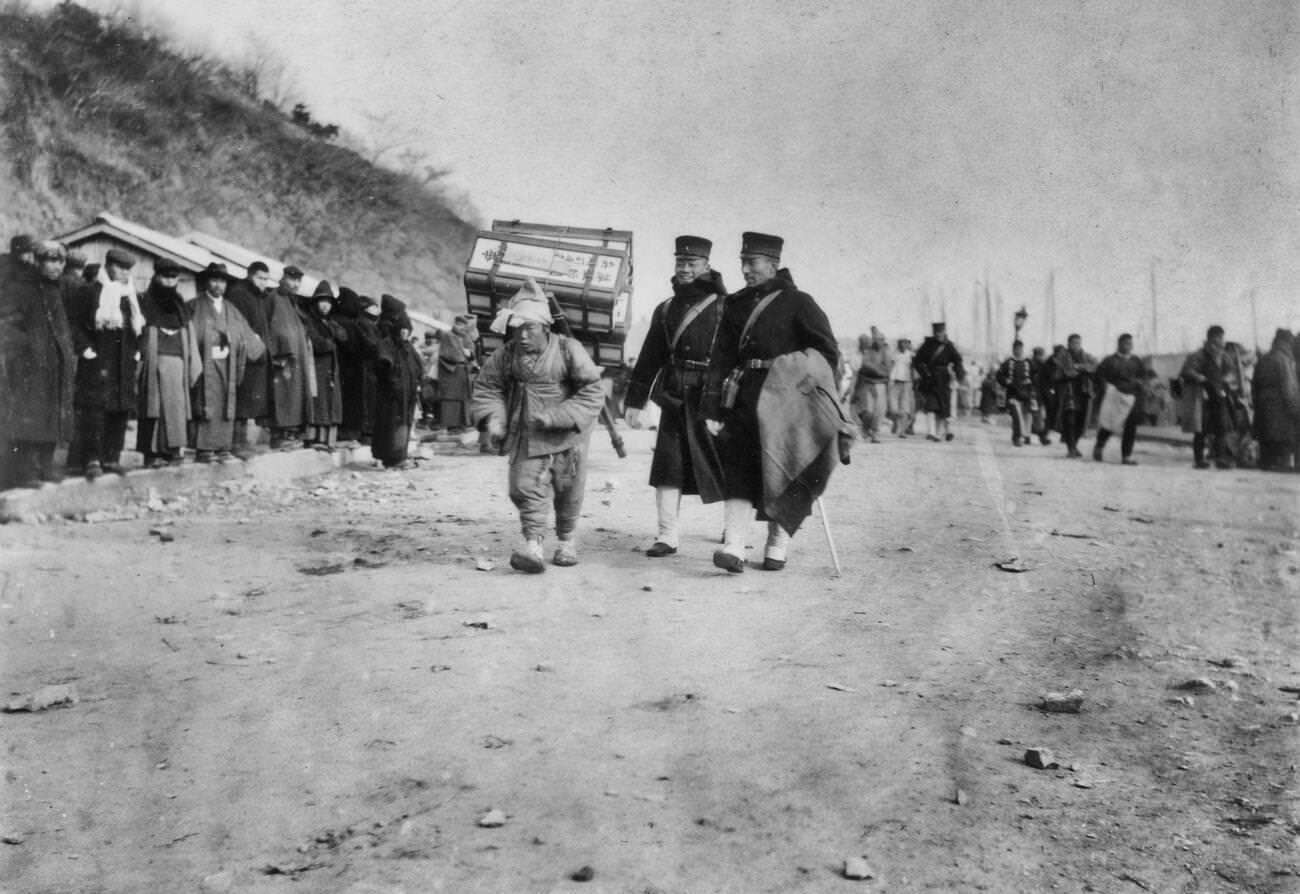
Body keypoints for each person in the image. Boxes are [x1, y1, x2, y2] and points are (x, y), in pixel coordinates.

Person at [701, 232, 844, 573]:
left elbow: (827, 352)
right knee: (737, 468)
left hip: (787, 401)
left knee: (785, 467)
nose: (746, 270)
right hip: (745, 395)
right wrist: (712, 407)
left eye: (752, 263)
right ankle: (733, 546)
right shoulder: (735, 304)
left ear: (773, 264)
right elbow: (720, 357)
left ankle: (777, 544)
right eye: (742, 262)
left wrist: (803, 379)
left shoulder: (800, 302)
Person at [471, 279, 606, 573]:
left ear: (545, 327)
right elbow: (487, 386)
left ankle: (566, 542)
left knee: (568, 487)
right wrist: (494, 417)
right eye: (517, 328)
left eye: (529, 327)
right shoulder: (506, 354)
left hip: (567, 435)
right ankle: (533, 545)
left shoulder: (568, 349)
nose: (521, 335)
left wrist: (556, 415)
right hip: (525, 430)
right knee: (523, 486)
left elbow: (592, 391)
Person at [623, 235, 727, 558]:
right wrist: (634, 401)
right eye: (680, 262)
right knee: (668, 465)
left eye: (691, 263)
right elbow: (649, 357)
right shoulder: (665, 309)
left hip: (714, 396)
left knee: (726, 464)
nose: (684, 268)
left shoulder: (726, 307)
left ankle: (733, 530)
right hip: (674, 394)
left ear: (706, 265)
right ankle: (667, 535)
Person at [0, 241, 76, 488]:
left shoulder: (62, 289)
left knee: (53, 416)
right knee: (30, 418)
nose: (54, 266)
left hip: (57, 363)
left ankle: (46, 466)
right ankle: (27, 472)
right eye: (48, 261)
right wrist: (25, 352)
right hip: (29, 366)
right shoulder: (22, 288)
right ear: (38, 262)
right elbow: (8, 325)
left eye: (58, 261)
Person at [66, 247, 143, 479]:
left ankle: (111, 458)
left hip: (123, 361)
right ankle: (91, 459)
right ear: (108, 266)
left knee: (119, 410)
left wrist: (136, 351)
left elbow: (138, 327)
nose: (124, 273)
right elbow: (74, 324)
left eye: (128, 269)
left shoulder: (130, 296)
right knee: (95, 410)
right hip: (98, 359)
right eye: (120, 268)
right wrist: (86, 349)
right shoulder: (90, 292)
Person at [189, 263, 266, 462]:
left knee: (226, 402)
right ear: (207, 282)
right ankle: (204, 448)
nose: (218, 285)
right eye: (214, 280)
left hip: (228, 362)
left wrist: (257, 346)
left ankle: (223, 446)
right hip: (205, 361)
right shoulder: (194, 305)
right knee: (207, 402)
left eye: (222, 281)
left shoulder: (231, 308)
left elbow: (247, 334)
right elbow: (190, 335)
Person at [136, 259, 201, 468]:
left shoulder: (179, 304)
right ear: (156, 276)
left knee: (177, 408)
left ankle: (173, 450)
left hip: (179, 364)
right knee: (154, 407)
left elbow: (188, 333)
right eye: (165, 277)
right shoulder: (144, 301)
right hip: (154, 362)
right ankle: (152, 453)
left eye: (173, 278)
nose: (169, 282)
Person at [225, 260, 275, 458]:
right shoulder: (239, 294)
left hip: (257, 354)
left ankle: (241, 440)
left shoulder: (260, 297)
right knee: (241, 398)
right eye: (260, 278)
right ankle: (236, 442)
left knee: (249, 400)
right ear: (250, 275)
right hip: (244, 353)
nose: (263, 283)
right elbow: (238, 325)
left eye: (266, 279)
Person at [372, 295, 423, 469]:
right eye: (401, 330)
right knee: (392, 425)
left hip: (406, 394)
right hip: (392, 395)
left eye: (407, 330)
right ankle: (393, 458)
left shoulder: (407, 347)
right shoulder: (388, 344)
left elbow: (418, 367)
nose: (404, 333)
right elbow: (383, 364)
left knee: (402, 426)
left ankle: (399, 455)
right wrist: (394, 382)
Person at [266, 265, 315, 450]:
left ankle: (292, 433)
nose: (295, 284)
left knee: (295, 396)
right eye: (291, 280)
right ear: (283, 278)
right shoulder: (274, 298)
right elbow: (270, 327)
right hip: (283, 357)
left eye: (298, 281)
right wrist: (279, 352)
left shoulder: (292, 301)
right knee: (284, 396)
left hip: (297, 359)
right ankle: (279, 436)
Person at [300, 281, 348, 451]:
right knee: (318, 402)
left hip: (330, 368)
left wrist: (332, 336)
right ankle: (314, 439)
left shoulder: (330, 322)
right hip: (316, 367)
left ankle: (327, 441)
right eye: (322, 301)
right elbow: (318, 343)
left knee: (328, 403)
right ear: (315, 303)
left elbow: (344, 337)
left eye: (328, 302)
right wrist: (331, 342)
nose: (325, 306)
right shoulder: (308, 320)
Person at [1180, 325, 1234, 469]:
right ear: (1210, 338)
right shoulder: (1199, 355)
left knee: (1221, 427)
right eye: (1218, 337)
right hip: (1202, 396)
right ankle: (1199, 459)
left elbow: (1230, 371)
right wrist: (1202, 379)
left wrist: (1225, 380)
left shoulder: (1224, 356)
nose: (1221, 341)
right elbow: (1187, 371)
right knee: (1201, 429)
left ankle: (1220, 458)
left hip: (1219, 395)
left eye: (1222, 337)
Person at [333, 288, 380, 446]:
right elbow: (366, 346)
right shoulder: (356, 324)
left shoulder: (350, 322)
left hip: (351, 368)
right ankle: (357, 433)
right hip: (355, 369)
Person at [1093, 333, 1147, 465]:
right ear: (1119, 344)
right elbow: (1099, 376)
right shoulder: (1110, 360)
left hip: (1132, 397)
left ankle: (1126, 456)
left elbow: (1143, 376)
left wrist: (1141, 382)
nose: (1128, 346)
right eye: (1125, 343)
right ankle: (1099, 446)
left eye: (1130, 343)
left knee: (1130, 426)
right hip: (1115, 395)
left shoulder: (1136, 361)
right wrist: (1105, 386)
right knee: (1111, 423)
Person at [1252, 329, 1300, 471]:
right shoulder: (1284, 361)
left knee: (1266, 459)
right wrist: (1296, 410)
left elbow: (1254, 386)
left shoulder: (1264, 359)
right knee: (1281, 459)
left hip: (1262, 413)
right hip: (1281, 416)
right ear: (1287, 342)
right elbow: (1289, 390)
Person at [912, 322, 964, 442]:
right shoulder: (927, 344)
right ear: (934, 332)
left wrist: (959, 374)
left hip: (944, 379)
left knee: (942, 406)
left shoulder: (949, 345)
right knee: (931, 405)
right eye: (937, 332)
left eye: (941, 332)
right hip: (929, 378)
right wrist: (924, 372)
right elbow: (917, 360)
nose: (939, 334)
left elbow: (957, 360)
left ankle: (938, 433)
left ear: (944, 332)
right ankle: (931, 432)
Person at [1051, 334, 1097, 458]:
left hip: (1083, 391)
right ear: (1068, 344)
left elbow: (1093, 367)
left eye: (1078, 342)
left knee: (1080, 422)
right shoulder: (1062, 357)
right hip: (1068, 392)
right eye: (1073, 342)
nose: (1076, 345)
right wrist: (1073, 371)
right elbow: (1059, 374)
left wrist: (1078, 367)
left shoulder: (1086, 356)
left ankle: (1074, 445)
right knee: (1069, 420)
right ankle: (1071, 448)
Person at [438, 314, 481, 432]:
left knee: (464, 398)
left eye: (463, 325)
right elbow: (446, 353)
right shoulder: (448, 335)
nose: (461, 327)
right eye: (459, 324)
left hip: (463, 371)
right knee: (451, 398)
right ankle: (452, 425)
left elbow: (472, 352)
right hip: (451, 371)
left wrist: (470, 355)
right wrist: (462, 354)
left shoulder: (466, 337)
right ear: (455, 324)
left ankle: (463, 423)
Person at [850, 327, 892, 443]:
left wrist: (877, 370)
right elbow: (865, 365)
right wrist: (878, 370)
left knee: (879, 411)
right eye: (878, 339)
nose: (880, 342)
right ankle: (866, 429)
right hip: (867, 384)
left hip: (881, 384)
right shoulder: (868, 351)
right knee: (867, 411)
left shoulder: (886, 352)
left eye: (882, 339)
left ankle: (875, 434)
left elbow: (888, 369)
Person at [997, 341, 1036, 446]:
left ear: (1022, 349)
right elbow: (999, 375)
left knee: (1027, 416)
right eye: (1016, 349)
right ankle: (1016, 437)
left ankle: (1027, 435)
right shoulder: (1008, 362)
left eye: (1020, 349)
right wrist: (1006, 381)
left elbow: (1036, 375)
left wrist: (1030, 382)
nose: (1018, 351)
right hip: (1013, 394)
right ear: (1013, 349)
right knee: (1016, 417)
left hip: (1026, 394)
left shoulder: (1028, 362)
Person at [887, 337, 914, 437]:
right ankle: (895, 422)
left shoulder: (910, 355)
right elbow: (891, 366)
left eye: (905, 343)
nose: (903, 345)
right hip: (895, 382)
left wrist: (912, 381)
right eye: (901, 343)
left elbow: (912, 368)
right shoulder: (894, 355)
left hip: (906, 383)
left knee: (905, 408)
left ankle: (902, 431)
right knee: (893, 408)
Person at [1030, 346, 1053, 444]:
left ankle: (1040, 435)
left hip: (1041, 394)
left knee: (1038, 416)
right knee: (1036, 415)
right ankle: (1040, 436)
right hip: (1034, 394)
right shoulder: (1032, 365)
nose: (1041, 357)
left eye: (1042, 355)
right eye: (1040, 355)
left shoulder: (1043, 365)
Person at [417, 330, 441, 427]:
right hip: (427, 376)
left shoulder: (436, 347)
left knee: (431, 398)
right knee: (426, 397)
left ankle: (432, 418)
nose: (430, 340)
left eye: (432, 338)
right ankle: (427, 417)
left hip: (432, 377)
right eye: (428, 338)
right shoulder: (423, 347)